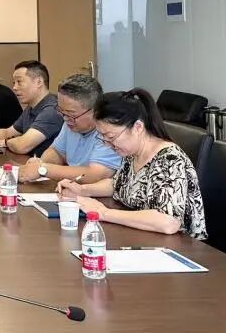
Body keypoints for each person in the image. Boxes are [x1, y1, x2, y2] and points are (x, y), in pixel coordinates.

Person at [57, 89, 206, 240]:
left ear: (138, 127)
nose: (108, 144)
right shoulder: (132, 153)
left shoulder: (169, 160)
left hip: (181, 246)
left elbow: (168, 222)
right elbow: (118, 184)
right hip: (144, 238)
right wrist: (82, 190)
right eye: (103, 138)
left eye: (111, 137)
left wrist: (104, 213)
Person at [18, 74, 120, 184]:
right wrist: (40, 163)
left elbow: (95, 175)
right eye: (61, 111)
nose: (65, 119)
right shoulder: (70, 123)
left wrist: (43, 169)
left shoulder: (110, 131)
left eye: (71, 114)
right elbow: (56, 152)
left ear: (95, 111)